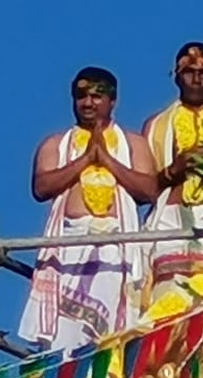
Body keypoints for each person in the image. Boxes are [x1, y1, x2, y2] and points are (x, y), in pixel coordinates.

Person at [17, 67, 157, 353]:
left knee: (108, 340)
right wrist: (84, 160)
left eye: (96, 96)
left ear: (112, 101)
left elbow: (149, 191)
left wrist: (106, 159)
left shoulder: (133, 144)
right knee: (64, 341)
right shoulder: (56, 144)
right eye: (81, 96)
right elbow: (41, 187)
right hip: (68, 251)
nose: (88, 102)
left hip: (115, 252)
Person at [142, 42, 203, 294]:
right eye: (189, 72)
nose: (196, 79)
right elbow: (142, 190)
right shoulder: (155, 125)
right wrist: (173, 170)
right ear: (176, 76)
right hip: (170, 221)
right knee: (167, 304)